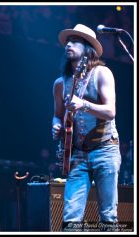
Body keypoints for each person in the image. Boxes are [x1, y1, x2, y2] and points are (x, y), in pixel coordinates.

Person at [52, 24, 121, 230]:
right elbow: (56, 116)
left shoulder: (102, 73)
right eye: (67, 42)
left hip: (105, 149)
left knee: (108, 215)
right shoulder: (60, 83)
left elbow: (111, 111)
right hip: (78, 154)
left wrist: (84, 104)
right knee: (71, 216)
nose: (68, 45)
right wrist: (55, 126)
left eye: (75, 41)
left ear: (88, 47)